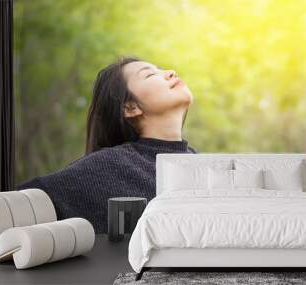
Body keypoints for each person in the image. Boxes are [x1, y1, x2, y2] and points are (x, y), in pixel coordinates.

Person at [16, 56, 198, 233]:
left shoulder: (201, 164)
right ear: (131, 107)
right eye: (150, 75)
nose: (170, 73)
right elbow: (13, 205)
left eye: (160, 69)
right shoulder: (111, 166)